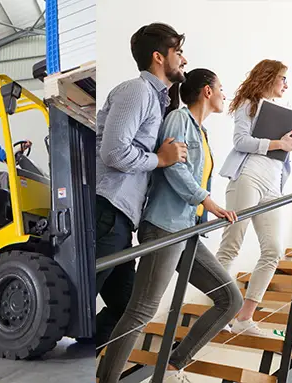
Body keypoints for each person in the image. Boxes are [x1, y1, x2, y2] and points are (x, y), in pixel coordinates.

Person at [97, 69, 242, 383]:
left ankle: (173, 366)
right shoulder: (178, 119)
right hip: (164, 226)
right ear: (206, 91)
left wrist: (202, 207)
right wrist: (207, 201)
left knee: (230, 299)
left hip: (186, 230)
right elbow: (174, 169)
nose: (224, 94)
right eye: (221, 88)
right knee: (141, 310)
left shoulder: (200, 132)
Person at [94, 22, 188, 350]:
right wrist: (160, 159)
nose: (184, 60)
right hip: (108, 208)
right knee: (82, 294)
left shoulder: (160, 100)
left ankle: (89, 354)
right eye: (179, 52)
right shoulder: (137, 91)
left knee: (127, 306)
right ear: (159, 57)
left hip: (122, 217)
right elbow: (114, 151)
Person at [215, 59, 292, 337]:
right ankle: (220, 311)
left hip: (272, 186)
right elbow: (240, 140)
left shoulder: (282, 114)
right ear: (268, 77)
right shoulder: (249, 104)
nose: (286, 84)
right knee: (232, 244)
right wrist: (277, 144)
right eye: (282, 78)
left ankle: (244, 317)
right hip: (247, 177)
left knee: (273, 250)